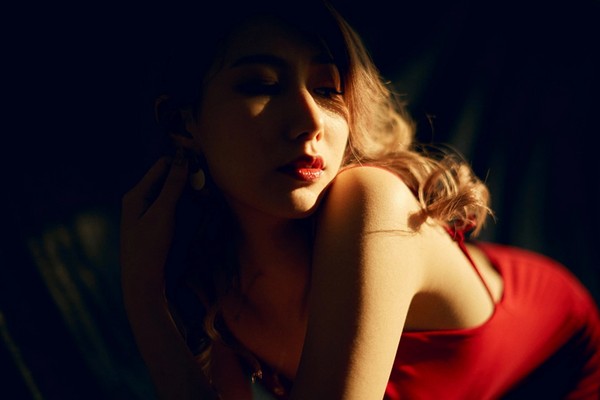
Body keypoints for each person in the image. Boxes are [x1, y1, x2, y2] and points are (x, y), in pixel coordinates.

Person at [120, 1, 600, 398]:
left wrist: (143, 300)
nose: (310, 121)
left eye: (327, 90)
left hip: (552, 369)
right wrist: (145, 291)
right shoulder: (210, 270)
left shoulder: (371, 199)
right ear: (183, 124)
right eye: (262, 85)